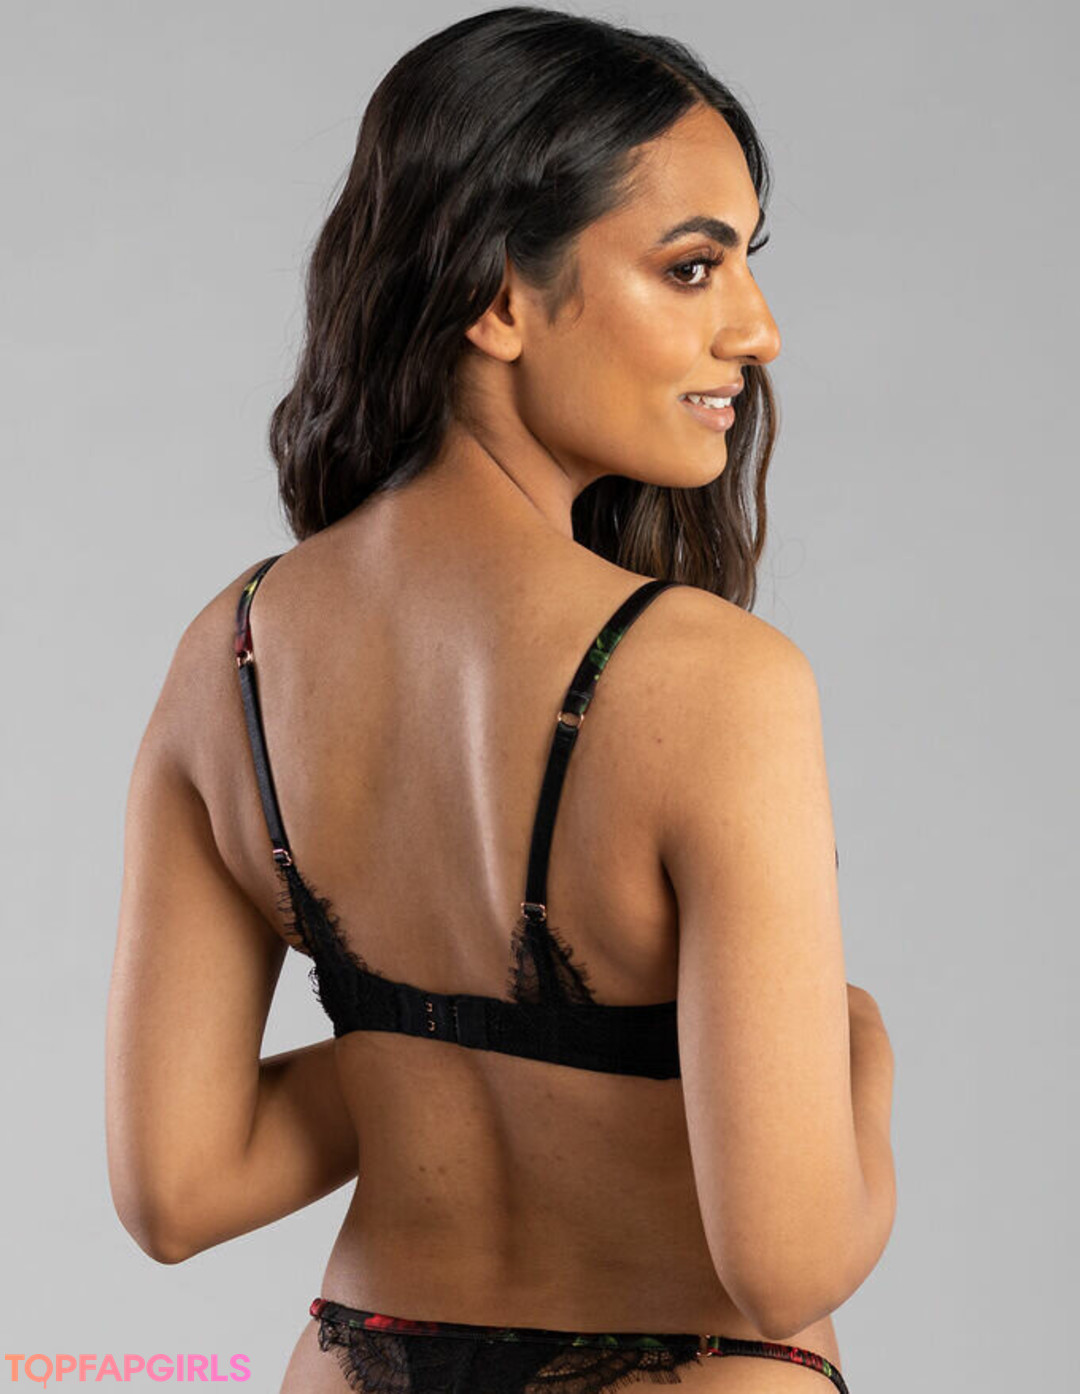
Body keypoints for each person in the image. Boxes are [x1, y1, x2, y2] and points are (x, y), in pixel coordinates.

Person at [105, 7, 896, 1391]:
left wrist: (416, 1046)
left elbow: (180, 1187)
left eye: (745, 265)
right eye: (692, 267)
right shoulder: (713, 678)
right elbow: (787, 1260)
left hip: (361, 1357)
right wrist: (860, 1061)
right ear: (499, 296)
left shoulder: (227, 656)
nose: (758, 331)